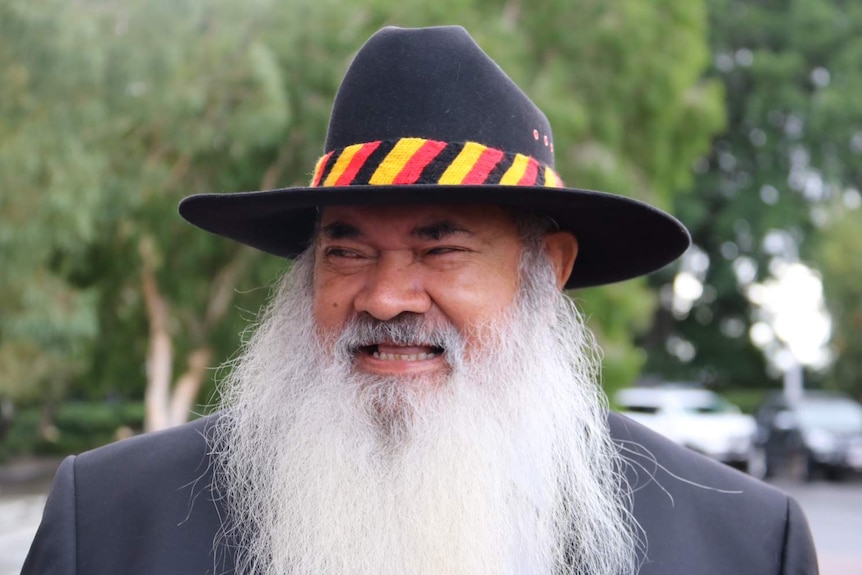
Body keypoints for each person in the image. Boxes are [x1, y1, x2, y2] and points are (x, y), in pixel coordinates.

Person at [23, 25, 817, 575]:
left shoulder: (738, 542)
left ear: (548, 266)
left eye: (442, 247)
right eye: (347, 249)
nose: (387, 294)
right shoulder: (114, 521)